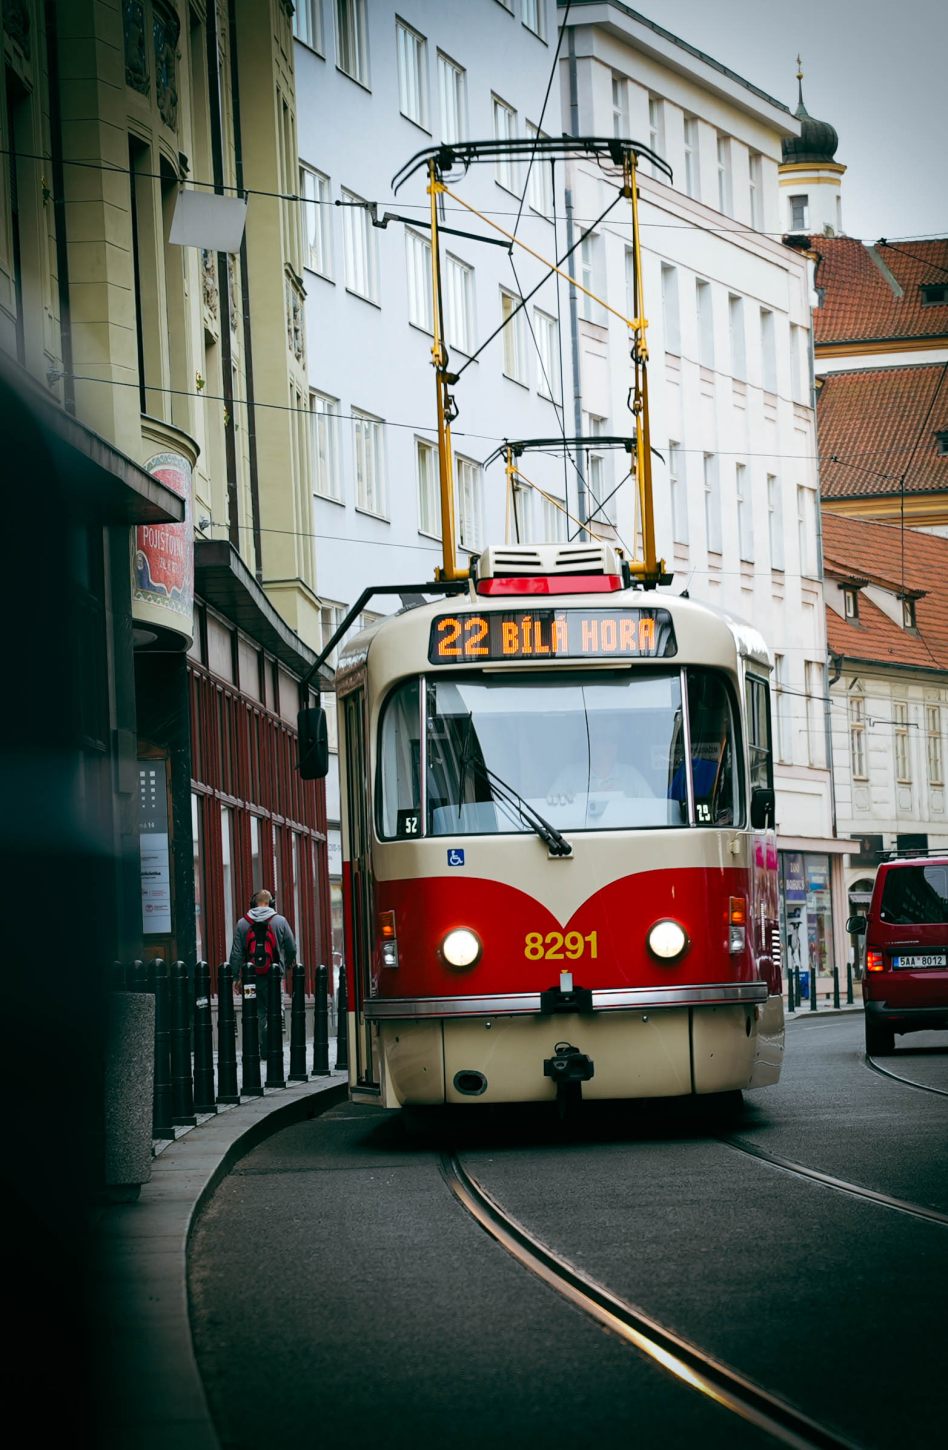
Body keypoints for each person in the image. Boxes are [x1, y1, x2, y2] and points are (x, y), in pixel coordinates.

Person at [229, 889, 298, 1056]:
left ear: (253, 904)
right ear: (271, 904)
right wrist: (288, 963)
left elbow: (236, 953)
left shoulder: (242, 923)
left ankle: (260, 1045)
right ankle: (271, 1038)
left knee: (256, 1010)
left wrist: (236, 977)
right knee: (276, 1007)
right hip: (274, 976)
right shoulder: (280, 921)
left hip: (250, 978)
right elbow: (291, 947)